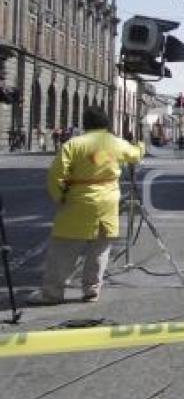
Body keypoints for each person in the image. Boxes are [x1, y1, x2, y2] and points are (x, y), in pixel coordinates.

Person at [28, 106, 145, 305]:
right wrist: (141, 145)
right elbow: (135, 154)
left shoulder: (74, 144)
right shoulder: (116, 143)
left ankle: (52, 293)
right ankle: (92, 290)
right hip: (107, 201)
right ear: (106, 123)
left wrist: (59, 196)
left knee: (64, 248)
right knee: (100, 247)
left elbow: (56, 174)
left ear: (86, 123)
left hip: (78, 200)